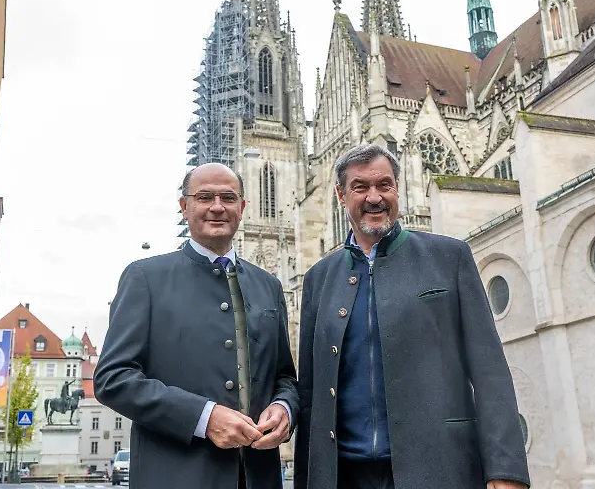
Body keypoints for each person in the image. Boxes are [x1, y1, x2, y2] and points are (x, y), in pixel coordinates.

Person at [294, 144, 530, 489]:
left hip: (438, 468)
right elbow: (311, 391)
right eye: (360, 187)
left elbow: (489, 370)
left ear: (398, 189)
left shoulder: (449, 257)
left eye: (384, 185)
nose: (374, 197)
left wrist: (506, 469)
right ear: (341, 196)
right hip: (346, 475)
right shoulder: (319, 277)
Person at [94, 162, 299, 489]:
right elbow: (113, 378)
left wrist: (284, 407)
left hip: (259, 477)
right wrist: (204, 417)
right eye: (204, 197)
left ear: (242, 207)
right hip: (176, 477)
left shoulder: (269, 285)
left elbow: (284, 376)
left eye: (228, 198)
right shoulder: (145, 278)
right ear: (184, 206)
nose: (217, 207)